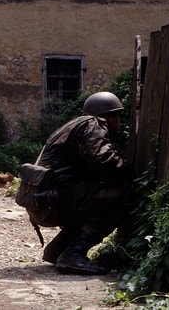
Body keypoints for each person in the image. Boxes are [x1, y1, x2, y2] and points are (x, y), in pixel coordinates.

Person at [33, 91, 136, 275]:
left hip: (43, 199)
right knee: (122, 196)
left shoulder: (73, 125)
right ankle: (73, 253)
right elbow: (102, 159)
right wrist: (130, 170)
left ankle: (58, 250)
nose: (118, 122)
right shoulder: (93, 123)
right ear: (108, 115)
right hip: (55, 198)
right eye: (117, 116)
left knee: (93, 198)